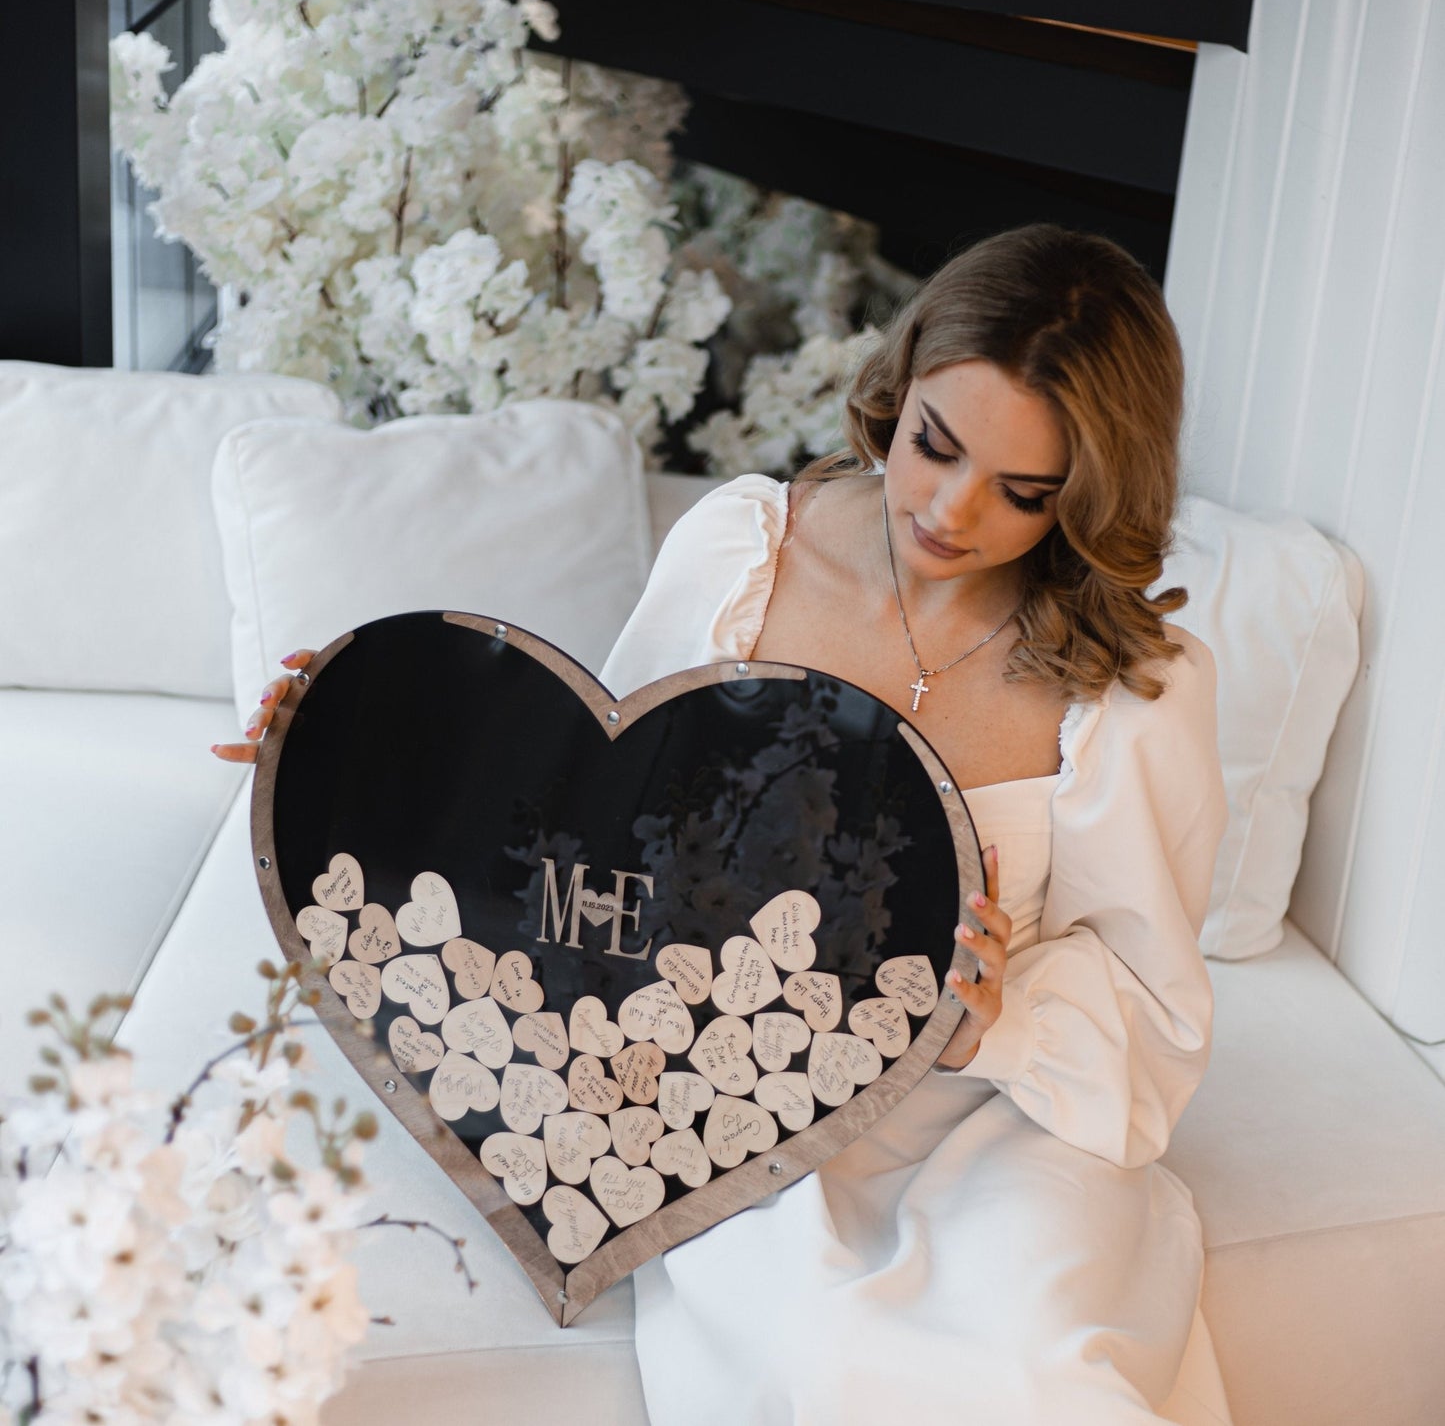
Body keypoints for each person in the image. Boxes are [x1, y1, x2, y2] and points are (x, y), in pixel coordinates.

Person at [216, 222, 1229, 1424]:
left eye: (1021, 492)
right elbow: (581, 832)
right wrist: (348, 731)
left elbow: (1154, 1007)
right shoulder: (744, 550)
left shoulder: (1130, 686)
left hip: (998, 1109)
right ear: (897, 390)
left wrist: (988, 1023)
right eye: (932, 446)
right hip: (727, 1090)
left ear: (1089, 492)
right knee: (825, 1357)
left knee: (1039, 1373)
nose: (951, 511)